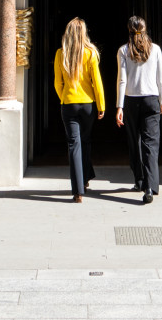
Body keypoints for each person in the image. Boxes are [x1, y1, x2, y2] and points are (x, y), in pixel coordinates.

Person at [54, 17, 105, 202]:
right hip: (87, 104)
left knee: (74, 145)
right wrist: (101, 105)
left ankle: (78, 191)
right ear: (83, 33)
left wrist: (64, 97)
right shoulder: (91, 53)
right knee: (85, 141)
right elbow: (97, 82)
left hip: (69, 104)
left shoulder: (61, 53)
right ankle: (84, 180)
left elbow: (57, 83)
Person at [116, 15, 162, 204]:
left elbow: (122, 80)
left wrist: (119, 106)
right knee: (150, 144)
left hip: (131, 100)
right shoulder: (156, 49)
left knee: (134, 142)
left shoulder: (123, 50)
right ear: (145, 29)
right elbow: (161, 79)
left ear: (129, 30)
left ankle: (139, 180)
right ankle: (150, 186)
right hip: (151, 99)